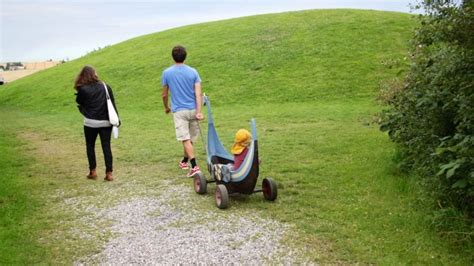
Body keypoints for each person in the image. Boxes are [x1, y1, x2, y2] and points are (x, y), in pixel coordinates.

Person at [161, 45, 204, 177]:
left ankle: (194, 166)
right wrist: (199, 111)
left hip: (180, 111)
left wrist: (166, 107)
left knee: (185, 138)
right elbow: (198, 94)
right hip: (193, 109)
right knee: (189, 139)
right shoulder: (193, 72)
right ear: (185, 56)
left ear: (173, 57)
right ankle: (184, 161)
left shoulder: (167, 73)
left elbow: (164, 94)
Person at [75, 65, 119, 181]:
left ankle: (92, 171)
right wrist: (117, 119)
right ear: (94, 74)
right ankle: (109, 173)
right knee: (106, 146)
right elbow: (112, 103)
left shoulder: (83, 89)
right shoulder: (105, 86)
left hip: (90, 122)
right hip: (106, 122)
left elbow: (79, 102)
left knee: (90, 146)